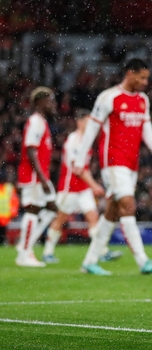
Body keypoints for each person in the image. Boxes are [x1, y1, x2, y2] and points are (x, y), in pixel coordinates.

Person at [75, 58, 152, 276]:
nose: (146, 82)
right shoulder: (109, 98)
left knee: (113, 211)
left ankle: (90, 261)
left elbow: (147, 129)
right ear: (130, 73)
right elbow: (91, 130)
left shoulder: (143, 100)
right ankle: (143, 261)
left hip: (131, 163)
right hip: (113, 162)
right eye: (142, 77)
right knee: (128, 205)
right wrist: (80, 160)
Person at [42, 109, 106, 264]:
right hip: (69, 187)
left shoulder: (86, 140)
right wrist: (94, 185)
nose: (91, 124)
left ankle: (101, 252)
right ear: (80, 121)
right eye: (88, 120)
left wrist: (90, 185)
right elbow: (77, 168)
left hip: (83, 188)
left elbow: (85, 167)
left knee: (93, 217)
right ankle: (48, 252)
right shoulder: (74, 140)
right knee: (60, 219)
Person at [16, 86, 58, 267]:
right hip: (33, 176)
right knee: (32, 210)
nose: (53, 104)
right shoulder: (35, 122)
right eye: (50, 101)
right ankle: (24, 255)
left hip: (40, 175)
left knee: (52, 208)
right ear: (40, 103)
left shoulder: (41, 121)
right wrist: (41, 178)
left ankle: (25, 245)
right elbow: (31, 150)